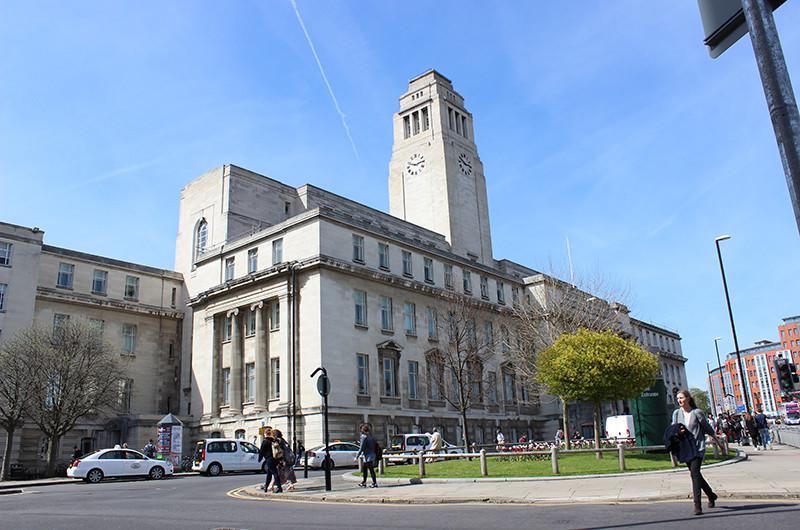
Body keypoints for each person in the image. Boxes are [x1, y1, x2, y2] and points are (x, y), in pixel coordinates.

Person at [672, 389, 719, 516]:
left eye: (681, 398)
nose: (679, 400)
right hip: (685, 448)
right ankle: (711, 495)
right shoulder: (676, 413)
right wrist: (678, 433)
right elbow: (673, 429)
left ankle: (697, 505)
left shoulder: (697, 412)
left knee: (694, 474)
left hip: (698, 447)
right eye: (677, 399)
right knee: (696, 474)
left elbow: (706, 427)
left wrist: (717, 440)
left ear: (688, 398)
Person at [258, 426, 282, 493]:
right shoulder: (274, 440)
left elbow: (261, 451)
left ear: (265, 433)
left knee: (274, 473)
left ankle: (279, 488)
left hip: (269, 459)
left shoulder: (265, 441)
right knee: (269, 473)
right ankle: (266, 486)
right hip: (275, 458)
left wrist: (259, 459)